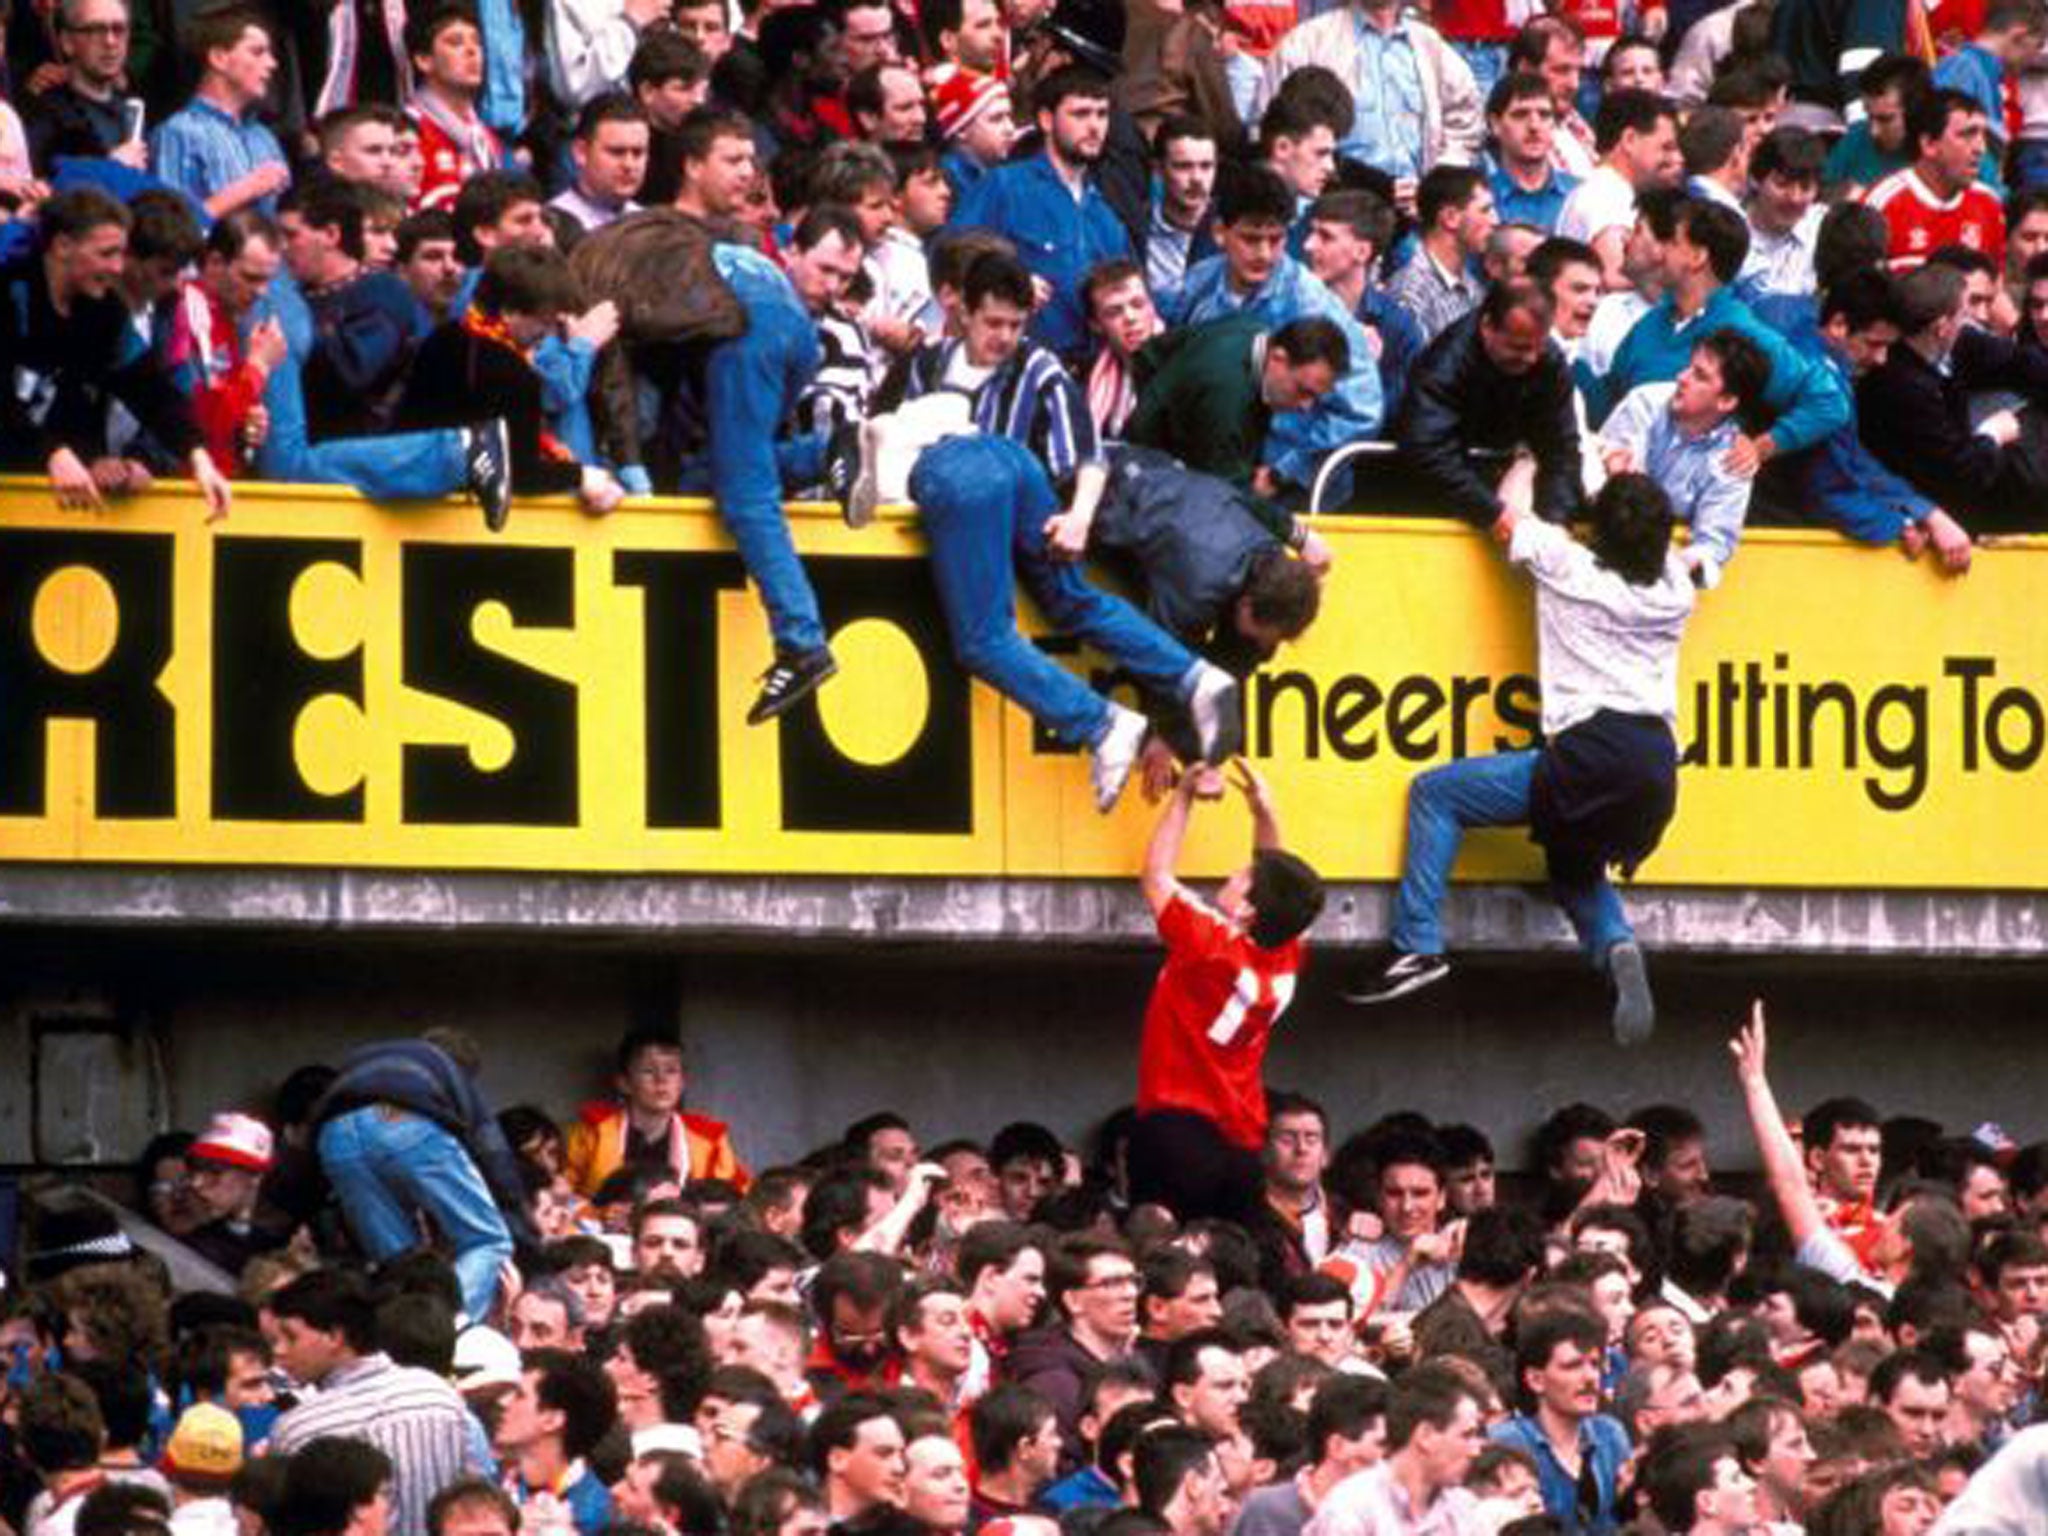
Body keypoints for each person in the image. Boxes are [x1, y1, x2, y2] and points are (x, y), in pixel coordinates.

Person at [1347, 462, 1695, 1046]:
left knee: (1436, 793)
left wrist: (1534, 456)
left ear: (1597, 529)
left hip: (1592, 750)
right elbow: (1678, 554)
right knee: (1574, 867)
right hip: (1658, 769)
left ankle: (1416, 947)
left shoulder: (1568, 564)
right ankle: (1615, 945)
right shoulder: (1675, 591)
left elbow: (1506, 507)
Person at [1127, 759, 1322, 1223]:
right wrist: (1264, 815)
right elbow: (1279, 888)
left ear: (1250, 909)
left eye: (1241, 877)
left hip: (1177, 1128)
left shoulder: (1209, 945)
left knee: (1163, 1260)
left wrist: (1184, 797)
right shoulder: (1289, 954)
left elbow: (1156, 876)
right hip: (1241, 1145)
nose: (1231, 875)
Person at [0, 187, 234, 521]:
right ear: (63, 246)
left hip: (40, 507)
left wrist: (198, 457)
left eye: (122, 254)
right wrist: (50, 452)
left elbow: (151, 390)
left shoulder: (105, 313)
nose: (117, 267)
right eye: (107, 253)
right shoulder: (11, 295)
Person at [308, 1029, 538, 1324]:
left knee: (401, 1264)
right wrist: (528, 1236)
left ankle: (404, 1342)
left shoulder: (363, 1060)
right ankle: (440, 1331)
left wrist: (265, 1233)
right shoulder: (444, 1068)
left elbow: (299, 1163)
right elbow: (491, 1150)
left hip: (334, 1138)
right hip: (403, 1123)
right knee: (487, 1241)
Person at [395, 245, 625, 519]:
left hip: (410, 501)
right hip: (463, 521)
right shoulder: (512, 374)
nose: (550, 333)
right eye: (545, 322)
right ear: (509, 311)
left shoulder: (442, 339)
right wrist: (583, 476)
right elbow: (517, 471)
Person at [267, 1270, 483, 1536]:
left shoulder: (297, 1429)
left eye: (291, 1337)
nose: (279, 1350)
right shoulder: (440, 1394)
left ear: (335, 1336)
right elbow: (478, 1498)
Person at [951, 65, 1132, 362]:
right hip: (1012, 366)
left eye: (1102, 114)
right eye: (1081, 114)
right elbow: (950, 258)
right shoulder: (1004, 186)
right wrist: (1006, 282)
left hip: (1088, 375)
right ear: (1047, 119)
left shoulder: (1106, 215)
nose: (1095, 126)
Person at [1854, 261, 2048, 530]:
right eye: (1964, 315)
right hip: (1928, 524)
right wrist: (1992, 433)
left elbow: (2022, 363)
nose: (1971, 323)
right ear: (1943, 326)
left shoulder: (1949, 348)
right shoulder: (1900, 387)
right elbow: (1960, 475)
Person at [1393, 278, 1582, 526]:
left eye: (1538, 346)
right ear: (1487, 326)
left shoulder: (1549, 360)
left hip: (1501, 487)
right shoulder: (1445, 363)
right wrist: (1492, 512)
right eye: (1518, 347)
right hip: (1431, 501)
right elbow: (1426, 446)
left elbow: (1562, 448)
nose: (1531, 358)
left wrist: (1554, 521)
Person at [1595, 328, 1771, 588]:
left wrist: (1680, 565)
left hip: (1660, 578)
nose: (1681, 377)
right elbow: (1602, 482)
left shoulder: (1734, 460)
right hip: (1595, 551)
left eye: (1699, 376)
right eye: (1689, 367)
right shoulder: (1643, 402)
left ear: (1726, 401)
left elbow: (1713, 547)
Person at [1263, 0, 1482, 190]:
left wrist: (1435, 185)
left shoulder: (1431, 46)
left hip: (1418, 212)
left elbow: (1466, 121)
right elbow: (1273, 127)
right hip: (1337, 207)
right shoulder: (1307, 43)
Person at [1489, 1308, 1631, 1536]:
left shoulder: (1610, 1434)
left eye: (1594, 1364)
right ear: (1535, 1380)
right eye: (1572, 1366)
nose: (1590, 1378)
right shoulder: (1506, 1443)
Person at [1301, 1363, 1486, 1536]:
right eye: (1466, 1435)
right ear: (1426, 1435)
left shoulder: (1463, 1507)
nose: (1475, 1451)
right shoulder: (1352, 1508)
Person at [563, 1026, 747, 1199]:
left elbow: (734, 1198)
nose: (661, 1080)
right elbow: (559, 1193)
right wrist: (598, 1213)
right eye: (648, 1071)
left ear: (682, 1082)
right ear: (624, 1082)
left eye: (671, 1071)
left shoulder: (708, 1138)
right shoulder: (594, 1130)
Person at [148, 8, 289, 222]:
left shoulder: (264, 137)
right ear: (218, 58)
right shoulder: (178, 132)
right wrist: (247, 189)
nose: (272, 64)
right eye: (257, 52)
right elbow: (173, 234)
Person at [1863, 89, 2008, 272]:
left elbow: (1996, 289)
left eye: (1982, 135)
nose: (1981, 148)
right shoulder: (1883, 203)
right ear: (1929, 145)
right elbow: (1858, 290)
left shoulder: (1988, 205)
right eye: (1967, 134)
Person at [1557, 90, 1680, 289]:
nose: (1676, 159)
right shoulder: (1606, 195)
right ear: (1629, 140)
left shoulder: (1608, 190)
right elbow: (1613, 276)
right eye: (1666, 148)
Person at [408, 4, 504, 211]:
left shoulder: (487, 138)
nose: (472, 51)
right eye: (455, 42)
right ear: (424, 60)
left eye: (478, 42)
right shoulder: (407, 131)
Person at [1385, 165, 1497, 342]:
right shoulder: (1410, 293)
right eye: (1485, 210)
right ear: (1450, 218)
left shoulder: (1473, 287)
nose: (1495, 221)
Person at [1487, 72, 1578, 234]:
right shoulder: (1480, 201)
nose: (1534, 126)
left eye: (1544, 115)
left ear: (1554, 124)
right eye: (1520, 115)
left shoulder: (1580, 195)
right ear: (1495, 124)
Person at [549, 93, 650, 233]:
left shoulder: (649, 226)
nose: (629, 164)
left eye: (638, 153)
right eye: (617, 152)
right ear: (581, 152)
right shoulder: (550, 228)